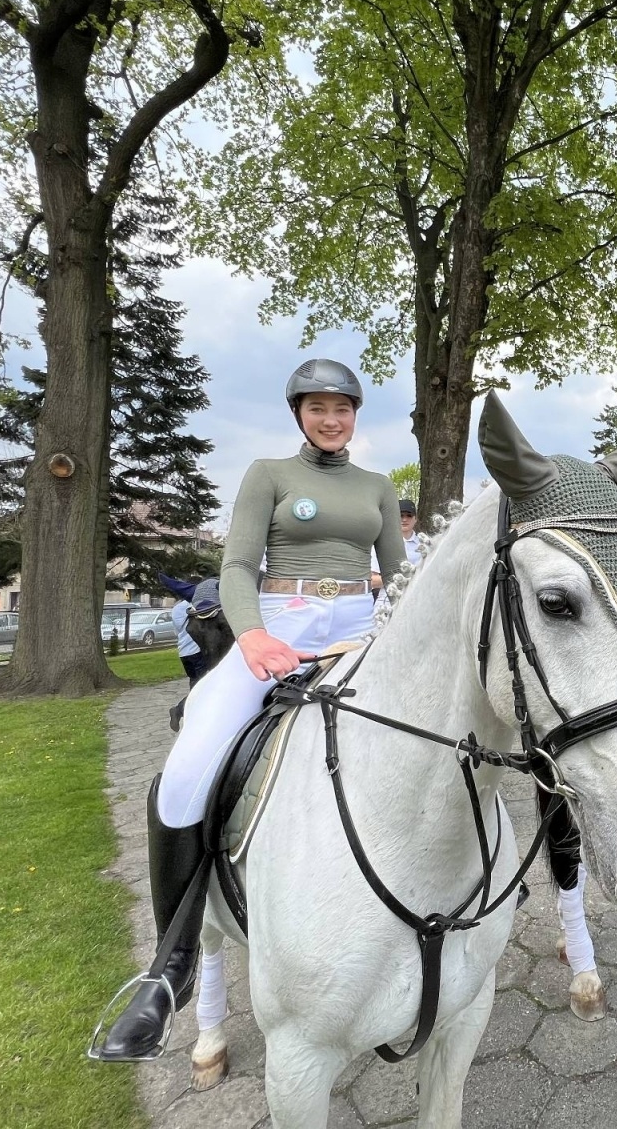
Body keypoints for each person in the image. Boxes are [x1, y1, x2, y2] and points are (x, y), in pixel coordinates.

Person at [94, 358, 407, 1062]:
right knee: (183, 773)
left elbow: (401, 574)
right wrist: (255, 635)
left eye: (343, 408)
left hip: (360, 627)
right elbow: (236, 568)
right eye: (318, 408)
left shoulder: (379, 487)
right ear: (299, 412)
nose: (331, 419)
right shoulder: (268, 475)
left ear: (357, 415)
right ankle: (168, 966)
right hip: (278, 622)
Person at [169, 597, 205, 686]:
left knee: (193, 679)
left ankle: (193, 698)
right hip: (196, 650)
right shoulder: (194, 605)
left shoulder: (176, 608)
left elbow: (176, 631)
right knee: (202, 681)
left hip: (183, 651)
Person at [398, 498, 423, 568]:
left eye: (409, 515)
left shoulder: (424, 545)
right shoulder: (384, 545)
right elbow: (372, 576)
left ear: (415, 519)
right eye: (401, 515)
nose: (404, 519)